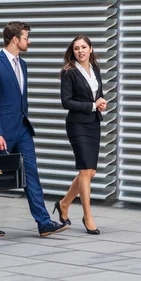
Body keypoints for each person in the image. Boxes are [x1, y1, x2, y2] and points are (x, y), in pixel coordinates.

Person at [0, 21, 68, 237]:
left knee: (31, 174)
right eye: (26, 37)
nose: (29, 41)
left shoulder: (23, 64)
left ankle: (44, 222)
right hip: (3, 132)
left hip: (23, 129)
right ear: (14, 39)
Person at [54, 35, 106, 235]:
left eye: (84, 47)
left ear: (91, 49)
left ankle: (64, 203)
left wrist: (100, 101)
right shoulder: (69, 72)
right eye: (76, 49)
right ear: (73, 52)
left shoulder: (95, 70)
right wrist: (92, 105)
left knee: (90, 172)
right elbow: (66, 102)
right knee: (85, 171)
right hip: (77, 125)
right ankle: (87, 216)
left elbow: (96, 94)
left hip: (93, 123)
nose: (80, 51)